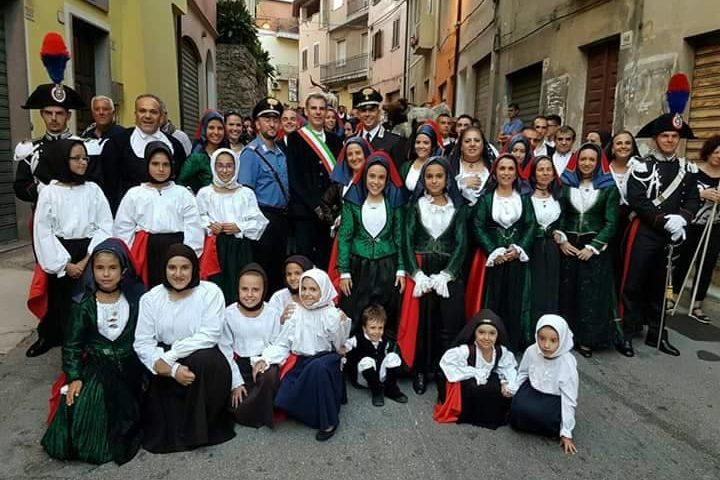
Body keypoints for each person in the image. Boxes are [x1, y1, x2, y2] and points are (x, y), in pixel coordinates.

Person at [41, 238, 146, 465]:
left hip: (132, 365)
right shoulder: (84, 305)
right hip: (98, 366)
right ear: (92, 270)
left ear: (124, 270)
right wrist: (75, 376)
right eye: (100, 268)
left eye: (112, 268)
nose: (106, 274)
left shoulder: (136, 301)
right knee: (90, 401)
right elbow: (72, 346)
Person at [134, 244, 236, 453]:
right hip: (162, 358)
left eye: (185, 268)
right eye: (172, 268)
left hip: (200, 356)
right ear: (164, 269)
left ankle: (202, 429)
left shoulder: (210, 292)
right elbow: (143, 342)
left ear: (194, 268)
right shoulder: (151, 299)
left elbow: (210, 334)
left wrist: (172, 357)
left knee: (205, 361)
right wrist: (170, 369)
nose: (178, 274)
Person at [620, 96, 699, 357]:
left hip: (672, 236)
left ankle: (657, 333)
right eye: (665, 136)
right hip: (645, 231)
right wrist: (664, 220)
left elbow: (693, 199)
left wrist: (684, 219)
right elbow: (637, 198)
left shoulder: (688, 168)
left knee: (661, 285)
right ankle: (628, 333)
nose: (669, 141)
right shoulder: (642, 166)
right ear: (655, 139)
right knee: (634, 283)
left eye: (674, 137)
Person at [28, 138, 113, 358]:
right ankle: (69, 351)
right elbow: (43, 231)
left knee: (90, 303)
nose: (83, 162)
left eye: (85, 158)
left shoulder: (93, 189)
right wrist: (65, 265)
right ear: (62, 160)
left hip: (89, 251)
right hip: (61, 252)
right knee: (64, 306)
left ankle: (93, 349)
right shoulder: (49, 192)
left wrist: (87, 259)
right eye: (76, 158)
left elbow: (105, 224)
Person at [252, 268, 351, 441]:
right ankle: (306, 409)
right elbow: (283, 343)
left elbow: (339, 344)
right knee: (292, 389)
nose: (307, 293)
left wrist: (340, 324)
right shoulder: (295, 312)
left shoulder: (332, 314)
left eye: (313, 289)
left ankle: (328, 421)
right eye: (303, 289)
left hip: (326, 359)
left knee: (318, 368)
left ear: (324, 290)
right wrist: (265, 359)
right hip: (303, 360)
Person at [399, 157, 467, 395]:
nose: (435, 180)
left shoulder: (458, 209)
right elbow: (406, 241)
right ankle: (421, 370)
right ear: (423, 180)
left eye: (439, 176)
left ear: (447, 179)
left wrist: (449, 273)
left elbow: (462, 243)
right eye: (430, 176)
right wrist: (416, 274)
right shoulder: (416, 206)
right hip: (423, 268)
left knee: (447, 323)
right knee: (423, 323)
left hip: (448, 270)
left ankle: (442, 371)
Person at [557, 143, 620, 357]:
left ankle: (587, 339)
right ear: (576, 161)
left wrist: (593, 247)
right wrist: (562, 240)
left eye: (591, 160)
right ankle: (565, 336)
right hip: (568, 247)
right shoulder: (565, 184)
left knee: (591, 296)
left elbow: (611, 223)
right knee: (567, 293)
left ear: (598, 162)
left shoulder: (608, 187)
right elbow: (560, 214)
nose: (586, 163)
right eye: (583, 159)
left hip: (593, 249)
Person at [113, 141, 203, 288]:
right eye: (155, 164)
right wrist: (129, 260)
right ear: (147, 165)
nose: (161, 169)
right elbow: (123, 229)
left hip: (178, 251)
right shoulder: (135, 194)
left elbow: (194, 228)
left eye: (166, 164)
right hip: (146, 255)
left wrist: (187, 257)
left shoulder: (182, 194)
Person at [337, 151, 407, 337]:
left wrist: (401, 268)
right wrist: (344, 271)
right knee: (356, 310)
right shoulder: (353, 202)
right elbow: (344, 237)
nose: (376, 182)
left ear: (387, 180)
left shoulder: (394, 203)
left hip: (387, 264)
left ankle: (384, 352)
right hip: (359, 264)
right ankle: (355, 353)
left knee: (386, 310)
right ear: (365, 175)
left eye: (381, 177)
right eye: (372, 176)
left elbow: (400, 236)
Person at [472, 154, 536, 352]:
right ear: (495, 172)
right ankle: (490, 340)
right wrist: (493, 250)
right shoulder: (486, 199)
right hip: (493, 258)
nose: (506, 173)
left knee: (515, 298)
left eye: (510, 169)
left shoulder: (524, 198)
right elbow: (478, 226)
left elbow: (531, 224)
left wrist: (519, 248)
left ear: (517, 173)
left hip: (516, 257)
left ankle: (513, 340)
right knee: (493, 298)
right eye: (502, 169)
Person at [13, 33, 86, 205]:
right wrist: (41, 190)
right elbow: (20, 187)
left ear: (68, 116)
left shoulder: (82, 146)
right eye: (48, 113)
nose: (54, 118)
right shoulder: (30, 150)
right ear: (42, 114)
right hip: (43, 217)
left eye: (59, 113)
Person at [197, 148, 269, 304]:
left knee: (239, 285)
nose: (225, 170)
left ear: (236, 167)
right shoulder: (205, 193)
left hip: (239, 248)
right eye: (220, 166)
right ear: (213, 167)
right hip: (215, 248)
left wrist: (239, 227)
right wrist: (210, 226)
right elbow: (197, 218)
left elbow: (259, 221)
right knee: (216, 287)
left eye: (229, 166)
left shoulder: (245, 193)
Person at [100, 94, 187, 213]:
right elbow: (110, 187)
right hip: (130, 215)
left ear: (161, 116)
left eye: (153, 112)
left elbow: (180, 183)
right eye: (142, 111)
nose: (147, 116)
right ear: (135, 114)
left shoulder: (175, 145)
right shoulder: (116, 144)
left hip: (168, 213)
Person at [238, 97, 290, 293]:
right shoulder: (251, 153)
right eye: (266, 119)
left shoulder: (280, 152)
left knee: (278, 270)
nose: (272, 124)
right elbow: (245, 193)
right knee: (263, 268)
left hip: (281, 218)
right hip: (262, 216)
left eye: (275, 119)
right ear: (257, 124)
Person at [220, 263, 281, 428]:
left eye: (255, 290)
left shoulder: (272, 313)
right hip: (238, 364)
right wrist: (236, 383)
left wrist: (264, 360)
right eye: (244, 289)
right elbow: (225, 350)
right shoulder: (228, 314)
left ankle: (254, 411)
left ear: (263, 290)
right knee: (235, 396)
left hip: (264, 361)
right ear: (238, 289)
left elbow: (277, 343)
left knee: (269, 377)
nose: (249, 295)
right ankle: (251, 409)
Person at [434, 309, 517, 429]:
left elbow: (508, 367)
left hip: (485, 389)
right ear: (475, 333)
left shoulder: (500, 351)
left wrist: (507, 383)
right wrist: (474, 372)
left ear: (498, 335)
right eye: (481, 332)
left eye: (492, 333)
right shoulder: (466, 351)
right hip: (469, 390)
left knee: (497, 389)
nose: (486, 338)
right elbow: (446, 363)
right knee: (473, 386)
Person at [286, 93, 343, 267]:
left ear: (327, 112)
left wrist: (332, 207)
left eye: (322, 108)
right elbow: (294, 178)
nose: (318, 112)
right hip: (304, 212)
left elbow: (339, 177)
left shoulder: (335, 140)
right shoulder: (295, 139)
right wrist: (315, 205)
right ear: (306, 112)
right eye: (314, 108)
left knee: (326, 260)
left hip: (329, 214)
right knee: (305, 262)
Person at [509, 314, 579, 455]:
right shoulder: (532, 351)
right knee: (518, 410)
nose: (546, 345)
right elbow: (523, 373)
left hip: (553, 398)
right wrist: (513, 389)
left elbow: (569, 398)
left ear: (562, 339)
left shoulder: (567, 363)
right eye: (542, 339)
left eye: (553, 340)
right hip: (533, 389)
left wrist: (566, 432)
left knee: (545, 418)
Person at [672, 135, 720, 324]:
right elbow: (681, 195)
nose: (719, 156)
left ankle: (697, 303)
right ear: (708, 153)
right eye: (716, 152)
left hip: (714, 226)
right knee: (683, 260)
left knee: (706, 264)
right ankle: (673, 296)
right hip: (691, 224)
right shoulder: (693, 171)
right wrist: (702, 194)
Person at [343, 304, 407, 407]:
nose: (377, 332)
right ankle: (377, 392)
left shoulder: (385, 340)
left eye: (380, 328)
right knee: (367, 361)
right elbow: (344, 345)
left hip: (380, 375)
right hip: (364, 377)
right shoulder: (357, 339)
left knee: (393, 357)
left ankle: (391, 389)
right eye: (372, 328)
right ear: (364, 328)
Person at [528, 155, 563, 324]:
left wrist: (558, 233)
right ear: (534, 173)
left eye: (549, 169)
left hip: (552, 249)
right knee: (533, 289)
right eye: (541, 169)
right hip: (531, 249)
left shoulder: (558, 196)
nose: (545, 173)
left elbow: (562, 221)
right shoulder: (525, 196)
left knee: (551, 288)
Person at [318, 136, 373, 231]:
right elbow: (324, 203)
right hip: (346, 236)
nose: (354, 158)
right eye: (350, 154)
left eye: (358, 153)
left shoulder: (375, 179)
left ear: (365, 154)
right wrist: (335, 220)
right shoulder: (341, 182)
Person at [353, 87, 407, 168]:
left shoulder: (394, 142)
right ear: (358, 114)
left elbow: (397, 177)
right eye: (363, 111)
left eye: (372, 110)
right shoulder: (352, 140)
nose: (367, 114)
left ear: (378, 112)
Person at [177, 110, 226, 193]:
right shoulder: (197, 157)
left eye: (220, 128)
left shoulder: (226, 153)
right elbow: (180, 183)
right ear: (204, 129)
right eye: (211, 128)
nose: (216, 132)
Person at [450, 125, 494, 206]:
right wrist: (461, 184)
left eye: (477, 140)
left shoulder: (492, 167)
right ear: (461, 146)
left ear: (483, 144)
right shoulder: (451, 167)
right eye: (467, 141)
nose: (472, 144)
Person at [267, 254, 314, 319]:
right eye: (289, 274)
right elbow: (269, 323)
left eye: (297, 273)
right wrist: (281, 319)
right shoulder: (278, 297)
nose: (292, 278)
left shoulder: (318, 297)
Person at [400, 121, 444, 192]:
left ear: (432, 146)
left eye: (426, 143)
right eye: (418, 142)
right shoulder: (406, 167)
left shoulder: (440, 166)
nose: (421, 146)